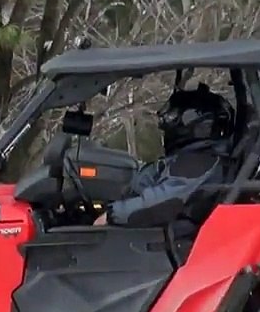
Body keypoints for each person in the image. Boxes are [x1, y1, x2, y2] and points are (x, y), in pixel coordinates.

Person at [95, 83, 234, 244]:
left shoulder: (198, 162)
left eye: (174, 117)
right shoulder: (190, 158)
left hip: (163, 243)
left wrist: (112, 214)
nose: (166, 125)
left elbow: (163, 202)